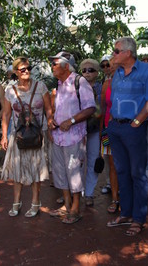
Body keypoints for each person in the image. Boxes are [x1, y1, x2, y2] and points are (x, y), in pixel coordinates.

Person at [105, 37, 148, 236]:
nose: (113, 54)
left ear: (128, 53)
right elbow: (113, 98)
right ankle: (126, 213)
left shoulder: (146, 71)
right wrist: (113, 121)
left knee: (137, 174)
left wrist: (138, 121)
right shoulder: (118, 73)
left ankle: (138, 218)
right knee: (122, 171)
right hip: (116, 128)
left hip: (134, 128)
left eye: (116, 51)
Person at [1, 57, 53, 218]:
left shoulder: (40, 87)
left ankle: (36, 202)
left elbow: (48, 109)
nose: (26, 71)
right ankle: (16, 202)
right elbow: (6, 114)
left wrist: (50, 127)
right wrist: (4, 136)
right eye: (22, 69)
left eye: (28, 68)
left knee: (36, 169)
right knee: (17, 169)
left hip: (37, 134)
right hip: (19, 135)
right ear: (16, 72)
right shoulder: (10, 90)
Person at [48, 51, 95, 224]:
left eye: (54, 63)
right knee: (60, 171)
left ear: (66, 66)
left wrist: (72, 120)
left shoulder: (79, 82)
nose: (51, 66)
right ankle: (66, 205)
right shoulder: (60, 84)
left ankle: (75, 207)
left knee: (74, 171)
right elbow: (57, 108)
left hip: (74, 137)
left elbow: (90, 108)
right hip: (58, 136)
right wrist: (52, 120)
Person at [79, 58, 102, 206]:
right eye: (84, 70)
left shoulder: (102, 88)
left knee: (93, 160)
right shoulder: (76, 87)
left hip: (96, 129)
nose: (87, 73)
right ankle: (75, 191)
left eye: (91, 70)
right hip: (79, 129)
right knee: (78, 162)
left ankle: (89, 193)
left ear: (97, 72)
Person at [100, 54, 120, 213]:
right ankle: (115, 199)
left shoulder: (132, 82)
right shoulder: (106, 84)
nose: (110, 66)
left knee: (126, 164)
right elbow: (103, 109)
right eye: (107, 64)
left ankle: (126, 197)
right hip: (108, 129)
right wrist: (102, 130)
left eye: (112, 63)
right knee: (112, 164)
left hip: (127, 129)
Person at [99, 54, 113, 195]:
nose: (105, 68)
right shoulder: (103, 81)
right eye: (102, 65)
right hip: (106, 125)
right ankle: (110, 182)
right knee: (107, 155)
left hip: (119, 125)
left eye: (107, 64)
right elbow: (102, 107)